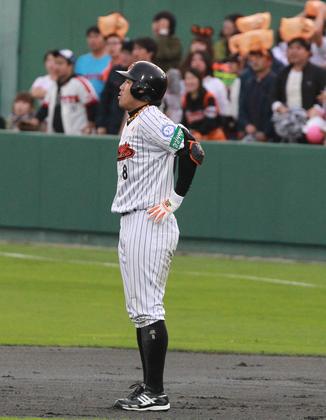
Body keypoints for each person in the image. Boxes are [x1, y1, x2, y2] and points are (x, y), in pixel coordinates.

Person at [111, 61, 203, 412]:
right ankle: (149, 388)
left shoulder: (149, 117)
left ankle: (156, 393)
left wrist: (175, 199)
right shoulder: (137, 120)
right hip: (135, 220)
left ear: (142, 90)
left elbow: (193, 150)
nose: (122, 86)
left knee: (148, 308)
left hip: (149, 221)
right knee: (139, 311)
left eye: (128, 81)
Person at [271, 38, 326, 143]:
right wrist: (280, 108)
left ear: (308, 52)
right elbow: (273, 96)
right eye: (291, 48)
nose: (294, 51)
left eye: (298, 48)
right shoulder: (282, 73)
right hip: (287, 124)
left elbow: (324, 97)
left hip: (310, 123)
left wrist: (314, 111)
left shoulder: (319, 73)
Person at [31, 49, 99, 135]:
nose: (56, 67)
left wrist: (90, 127)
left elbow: (94, 107)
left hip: (78, 136)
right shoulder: (53, 87)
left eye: (60, 63)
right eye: (55, 63)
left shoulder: (80, 83)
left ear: (70, 66)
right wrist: (35, 121)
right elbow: (45, 108)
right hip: (57, 137)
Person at [238, 50, 277, 142]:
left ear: (269, 61)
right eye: (253, 57)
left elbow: (276, 111)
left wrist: (266, 132)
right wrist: (246, 125)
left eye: (259, 57)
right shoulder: (248, 83)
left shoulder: (276, 83)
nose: (255, 60)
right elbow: (242, 107)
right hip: (249, 135)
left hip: (271, 140)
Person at [97, 40, 134, 135]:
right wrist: (101, 124)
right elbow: (105, 98)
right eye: (123, 53)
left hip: (130, 125)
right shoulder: (115, 70)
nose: (125, 57)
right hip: (111, 124)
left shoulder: (137, 74)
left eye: (129, 54)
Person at [181, 67, 226, 140]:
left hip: (212, 139)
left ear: (199, 80)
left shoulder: (209, 97)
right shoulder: (185, 99)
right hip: (195, 141)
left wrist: (197, 134)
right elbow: (184, 122)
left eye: (192, 78)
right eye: (187, 78)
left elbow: (211, 121)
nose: (190, 81)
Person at [184, 50, 229, 117]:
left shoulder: (217, 83)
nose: (197, 63)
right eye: (193, 60)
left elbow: (224, 108)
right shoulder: (185, 83)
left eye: (201, 59)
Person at [75, 26, 111, 98]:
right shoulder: (82, 61)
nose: (93, 40)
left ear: (105, 39)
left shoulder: (111, 60)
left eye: (96, 36)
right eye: (90, 37)